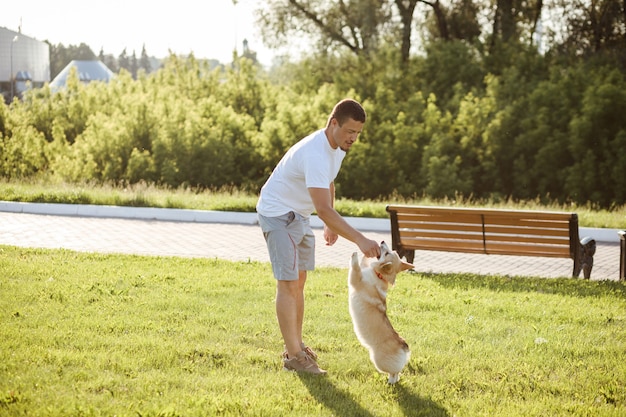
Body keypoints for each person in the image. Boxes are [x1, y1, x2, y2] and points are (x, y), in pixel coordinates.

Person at [256, 98, 381, 375]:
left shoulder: (336, 148)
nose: (354, 138)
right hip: (277, 213)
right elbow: (322, 209)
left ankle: (296, 345)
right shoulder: (314, 152)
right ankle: (294, 356)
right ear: (333, 123)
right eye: (350, 131)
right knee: (288, 283)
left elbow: (328, 181)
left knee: (299, 282)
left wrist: (331, 222)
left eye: (358, 133)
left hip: (299, 214)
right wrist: (359, 239)